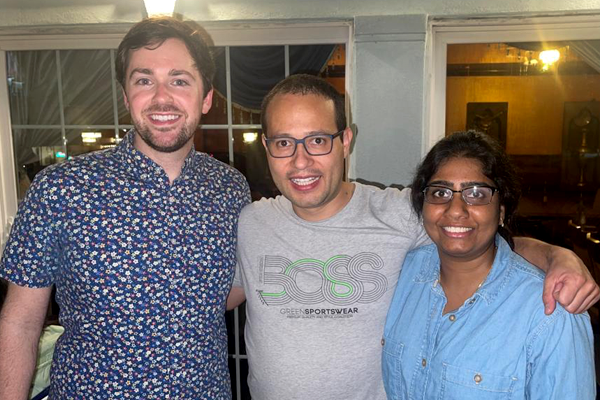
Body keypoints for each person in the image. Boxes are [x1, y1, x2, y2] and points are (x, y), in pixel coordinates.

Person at [228, 74, 599, 399]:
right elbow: (216, 297)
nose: (300, 160)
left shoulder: (400, 214)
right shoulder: (251, 223)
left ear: (345, 140)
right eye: (283, 143)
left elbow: (473, 234)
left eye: (317, 141)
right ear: (266, 147)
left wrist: (556, 256)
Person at [0, 17, 250, 399]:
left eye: (180, 80)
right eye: (144, 80)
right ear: (125, 95)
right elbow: (20, 321)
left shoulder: (230, 189)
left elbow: (227, 290)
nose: (162, 97)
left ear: (206, 97)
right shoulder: (60, 188)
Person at [382, 131, 595, 399]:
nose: (456, 209)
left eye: (476, 193)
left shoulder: (551, 313)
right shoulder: (400, 274)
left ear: (502, 211)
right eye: (440, 192)